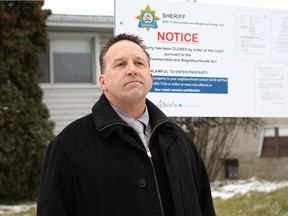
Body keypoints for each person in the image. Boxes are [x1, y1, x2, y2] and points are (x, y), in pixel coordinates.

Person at [37, 33, 215, 216]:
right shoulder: (67, 146)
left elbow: (204, 206)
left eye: (139, 63)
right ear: (103, 81)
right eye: (120, 64)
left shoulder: (178, 138)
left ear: (151, 78)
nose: (132, 70)